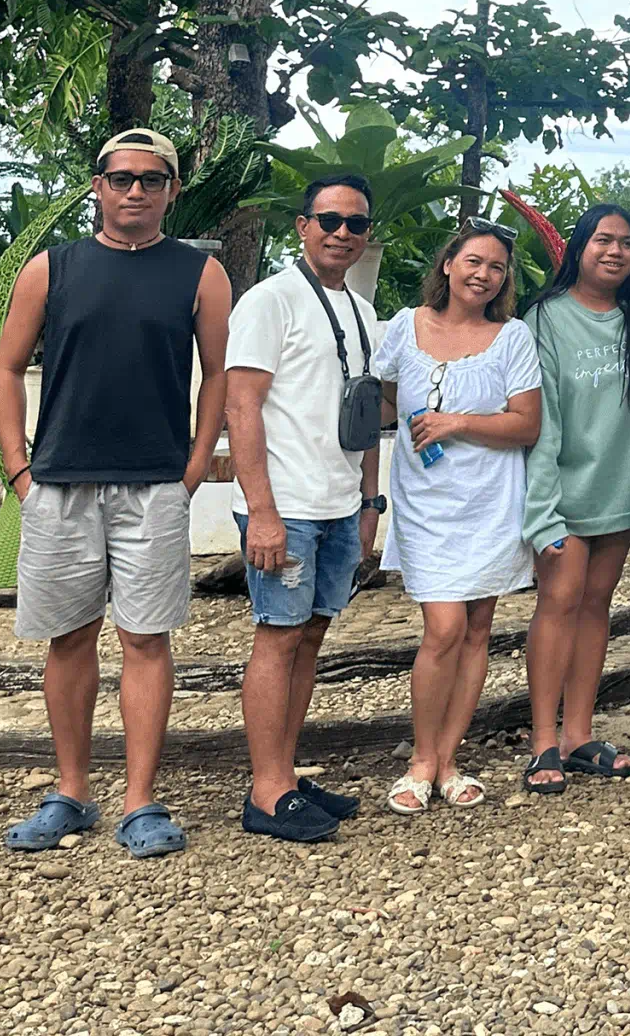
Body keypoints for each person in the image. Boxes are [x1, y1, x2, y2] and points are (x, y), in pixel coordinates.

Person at [0, 128, 230, 859]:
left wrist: (193, 467)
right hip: (59, 483)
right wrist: (18, 472)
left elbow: (219, 374)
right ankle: (70, 792)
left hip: (154, 486)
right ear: (97, 185)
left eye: (151, 179)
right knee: (68, 640)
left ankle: (140, 802)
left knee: (145, 640)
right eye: (120, 177)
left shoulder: (200, 274)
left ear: (171, 190)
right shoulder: (51, 269)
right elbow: (7, 368)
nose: (135, 190)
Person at [227, 174, 385, 842]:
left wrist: (370, 499)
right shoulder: (271, 301)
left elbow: (369, 409)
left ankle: (284, 773)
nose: (341, 233)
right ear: (302, 226)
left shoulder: (362, 310)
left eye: (355, 224)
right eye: (329, 220)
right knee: (279, 634)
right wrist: (261, 510)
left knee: (312, 635)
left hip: (338, 500)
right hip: (285, 503)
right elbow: (242, 405)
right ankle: (266, 792)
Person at [373, 220, 541, 815]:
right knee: (442, 629)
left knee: (476, 631)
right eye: (474, 261)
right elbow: (381, 395)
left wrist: (458, 422)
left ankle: (447, 760)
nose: (483, 274)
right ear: (448, 264)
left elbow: (527, 424)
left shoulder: (512, 336)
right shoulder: (405, 325)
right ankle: (421, 757)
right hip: (425, 506)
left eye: (496, 267)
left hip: (491, 502)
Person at [519, 204, 630, 794]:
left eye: (626, 243)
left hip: (624, 491)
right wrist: (543, 511)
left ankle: (578, 735)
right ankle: (541, 744)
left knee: (596, 606)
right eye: (602, 240)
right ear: (578, 248)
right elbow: (544, 421)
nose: (614, 252)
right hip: (563, 492)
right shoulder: (546, 318)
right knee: (558, 603)